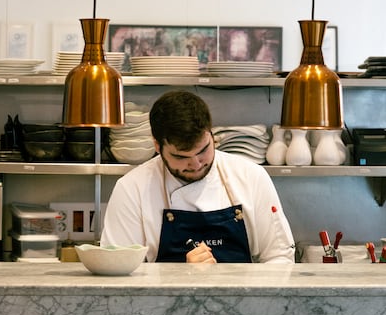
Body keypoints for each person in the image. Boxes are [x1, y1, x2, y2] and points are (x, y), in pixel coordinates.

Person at [101, 90, 295, 264]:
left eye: (203, 150)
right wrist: (179, 277)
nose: (195, 164)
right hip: (162, 303)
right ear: (157, 147)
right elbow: (118, 272)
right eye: (180, 157)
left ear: (211, 135)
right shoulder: (132, 188)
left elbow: (279, 257)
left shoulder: (251, 177)